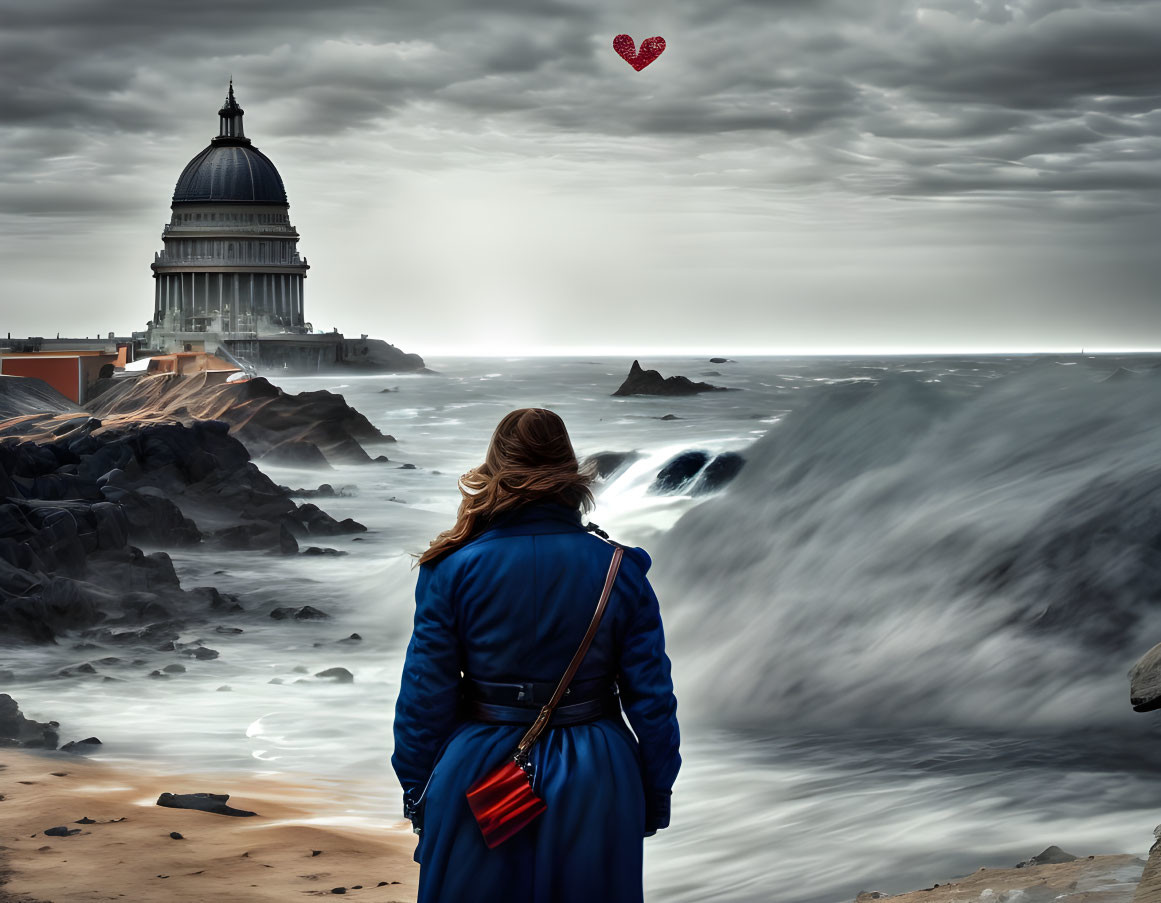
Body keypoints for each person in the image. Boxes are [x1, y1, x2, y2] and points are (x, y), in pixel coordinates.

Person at [391, 407, 681, 903]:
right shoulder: (620, 568)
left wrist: (419, 792)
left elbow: (425, 698)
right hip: (598, 773)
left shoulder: (450, 568)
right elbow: (651, 701)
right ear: (569, 470)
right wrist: (654, 794)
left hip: (481, 768)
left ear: (495, 467)